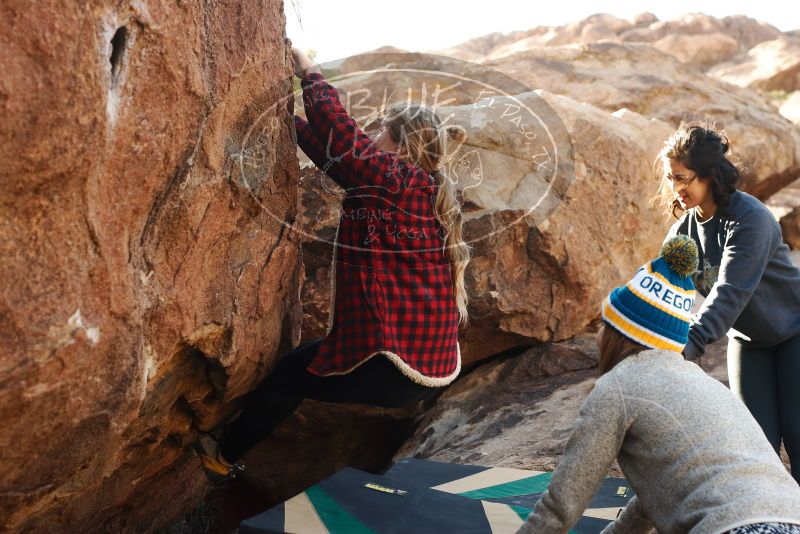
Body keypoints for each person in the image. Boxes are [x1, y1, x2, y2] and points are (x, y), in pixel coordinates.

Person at [193, 47, 471, 480]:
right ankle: (230, 448)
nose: (372, 135)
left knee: (289, 377)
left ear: (402, 145)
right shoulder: (413, 188)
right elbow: (337, 158)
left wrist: (310, 72)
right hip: (419, 368)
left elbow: (342, 136)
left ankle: (221, 458)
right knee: (298, 366)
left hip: (393, 364)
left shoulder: (396, 179)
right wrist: (288, 120)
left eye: (381, 131)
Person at [516, 235, 800, 534]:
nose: (598, 334)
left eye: (603, 324)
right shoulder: (704, 384)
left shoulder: (619, 386)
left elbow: (562, 505)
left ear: (620, 333)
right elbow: (655, 498)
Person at [656, 122, 800, 482]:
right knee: (756, 447)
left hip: (795, 333)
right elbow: (665, 291)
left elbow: (729, 291)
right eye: (671, 178)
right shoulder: (683, 233)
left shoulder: (750, 219)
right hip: (749, 343)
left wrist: (691, 342)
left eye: (683, 178)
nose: (676, 188)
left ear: (709, 175)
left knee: (798, 434)